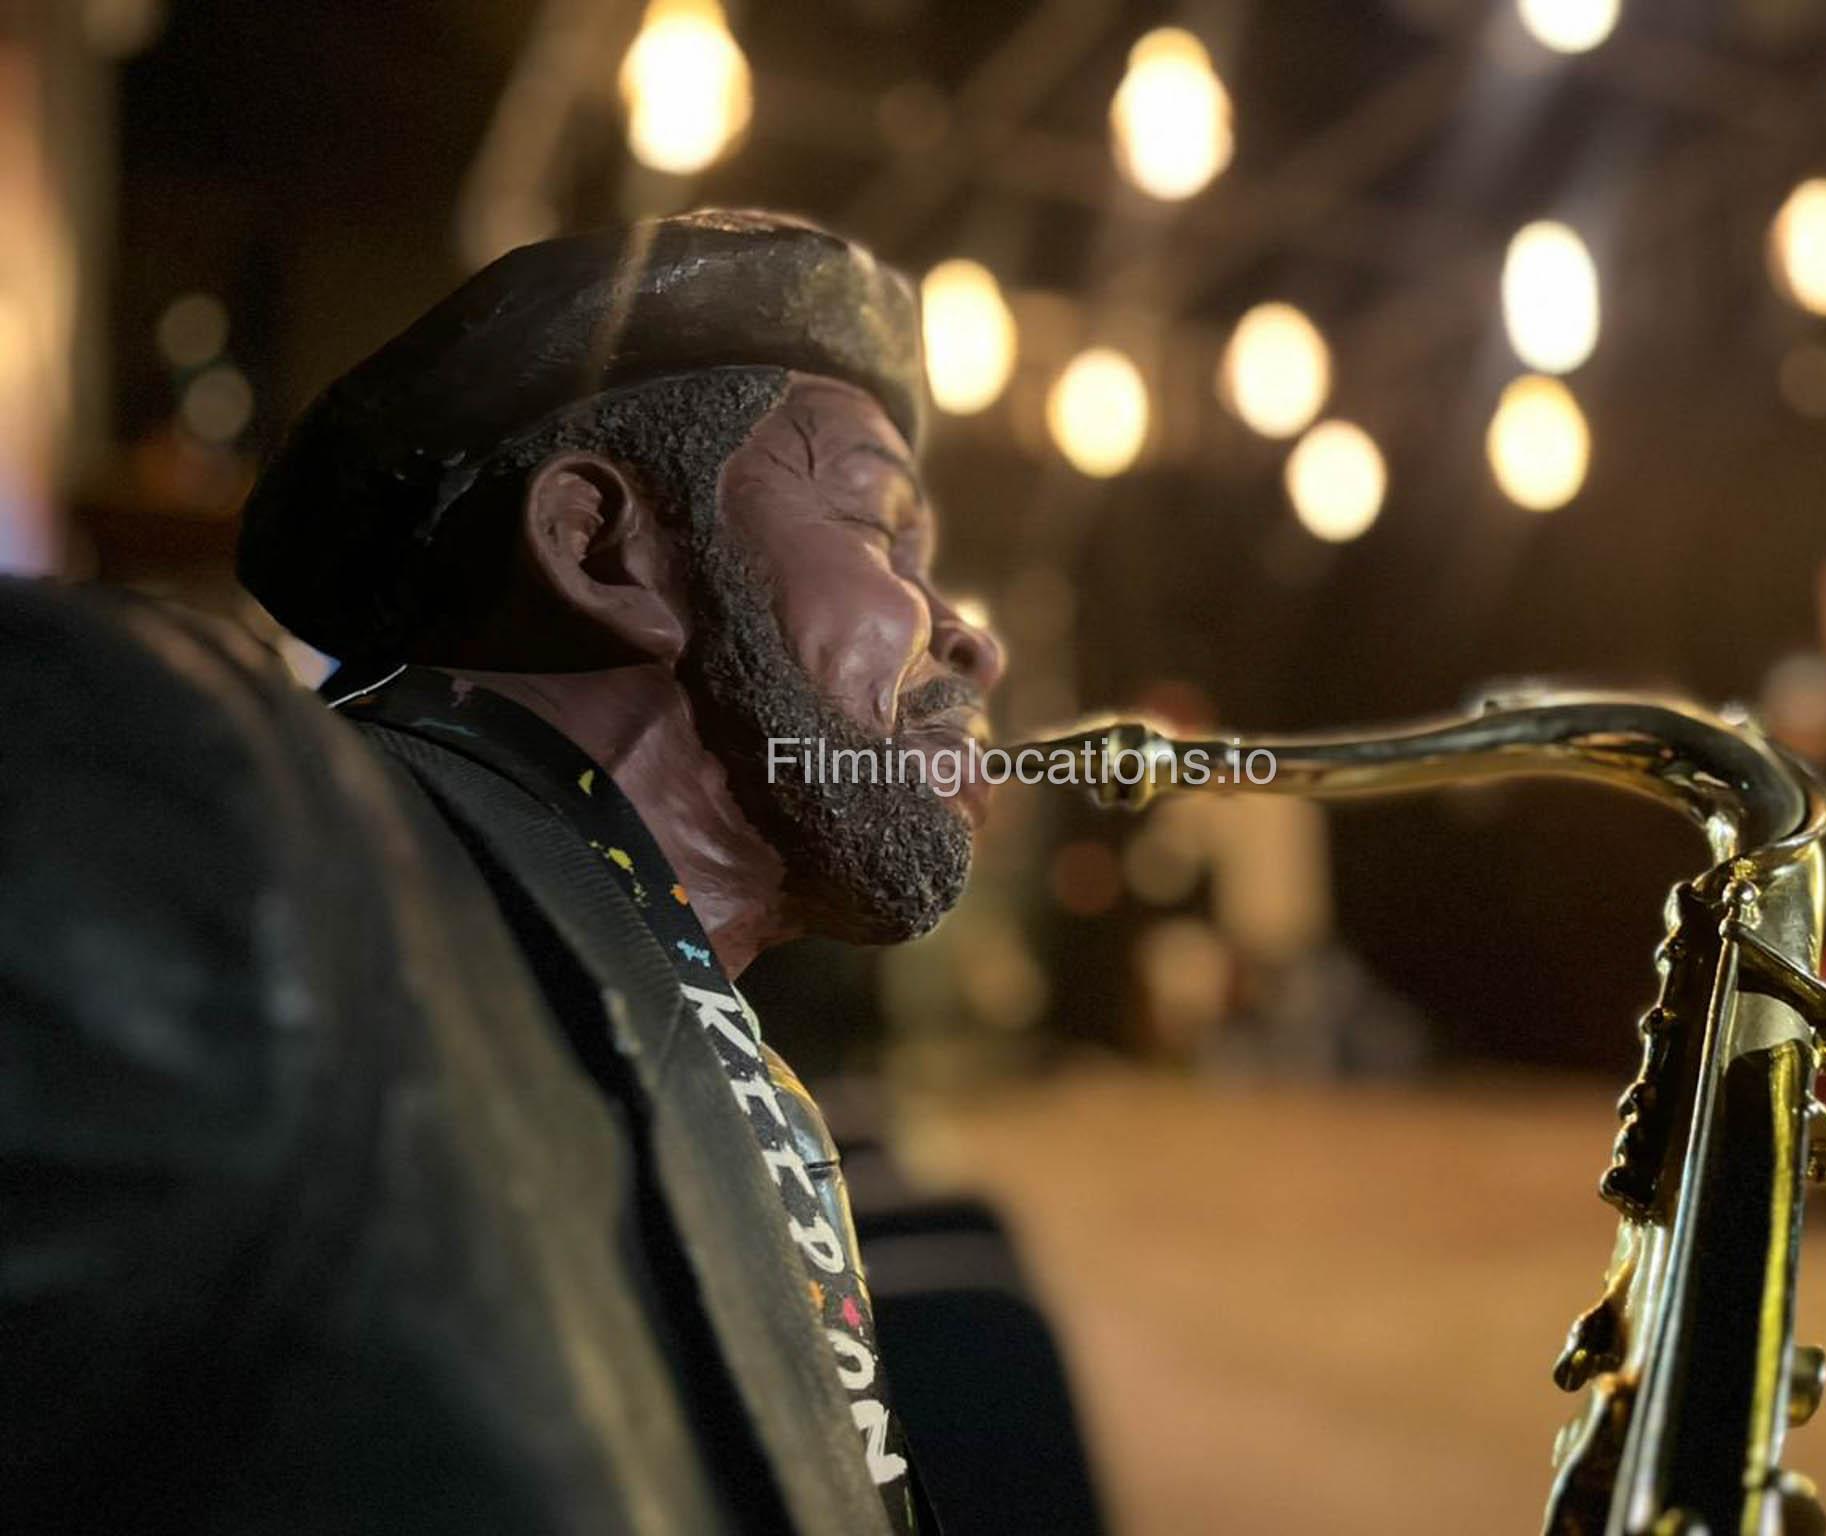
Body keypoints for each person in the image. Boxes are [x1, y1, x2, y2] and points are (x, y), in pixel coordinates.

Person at [0, 210, 1094, 1535]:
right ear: (597, 545)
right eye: (877, 527)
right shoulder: (210, 805)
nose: (972, 642)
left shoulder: (735, 1063)